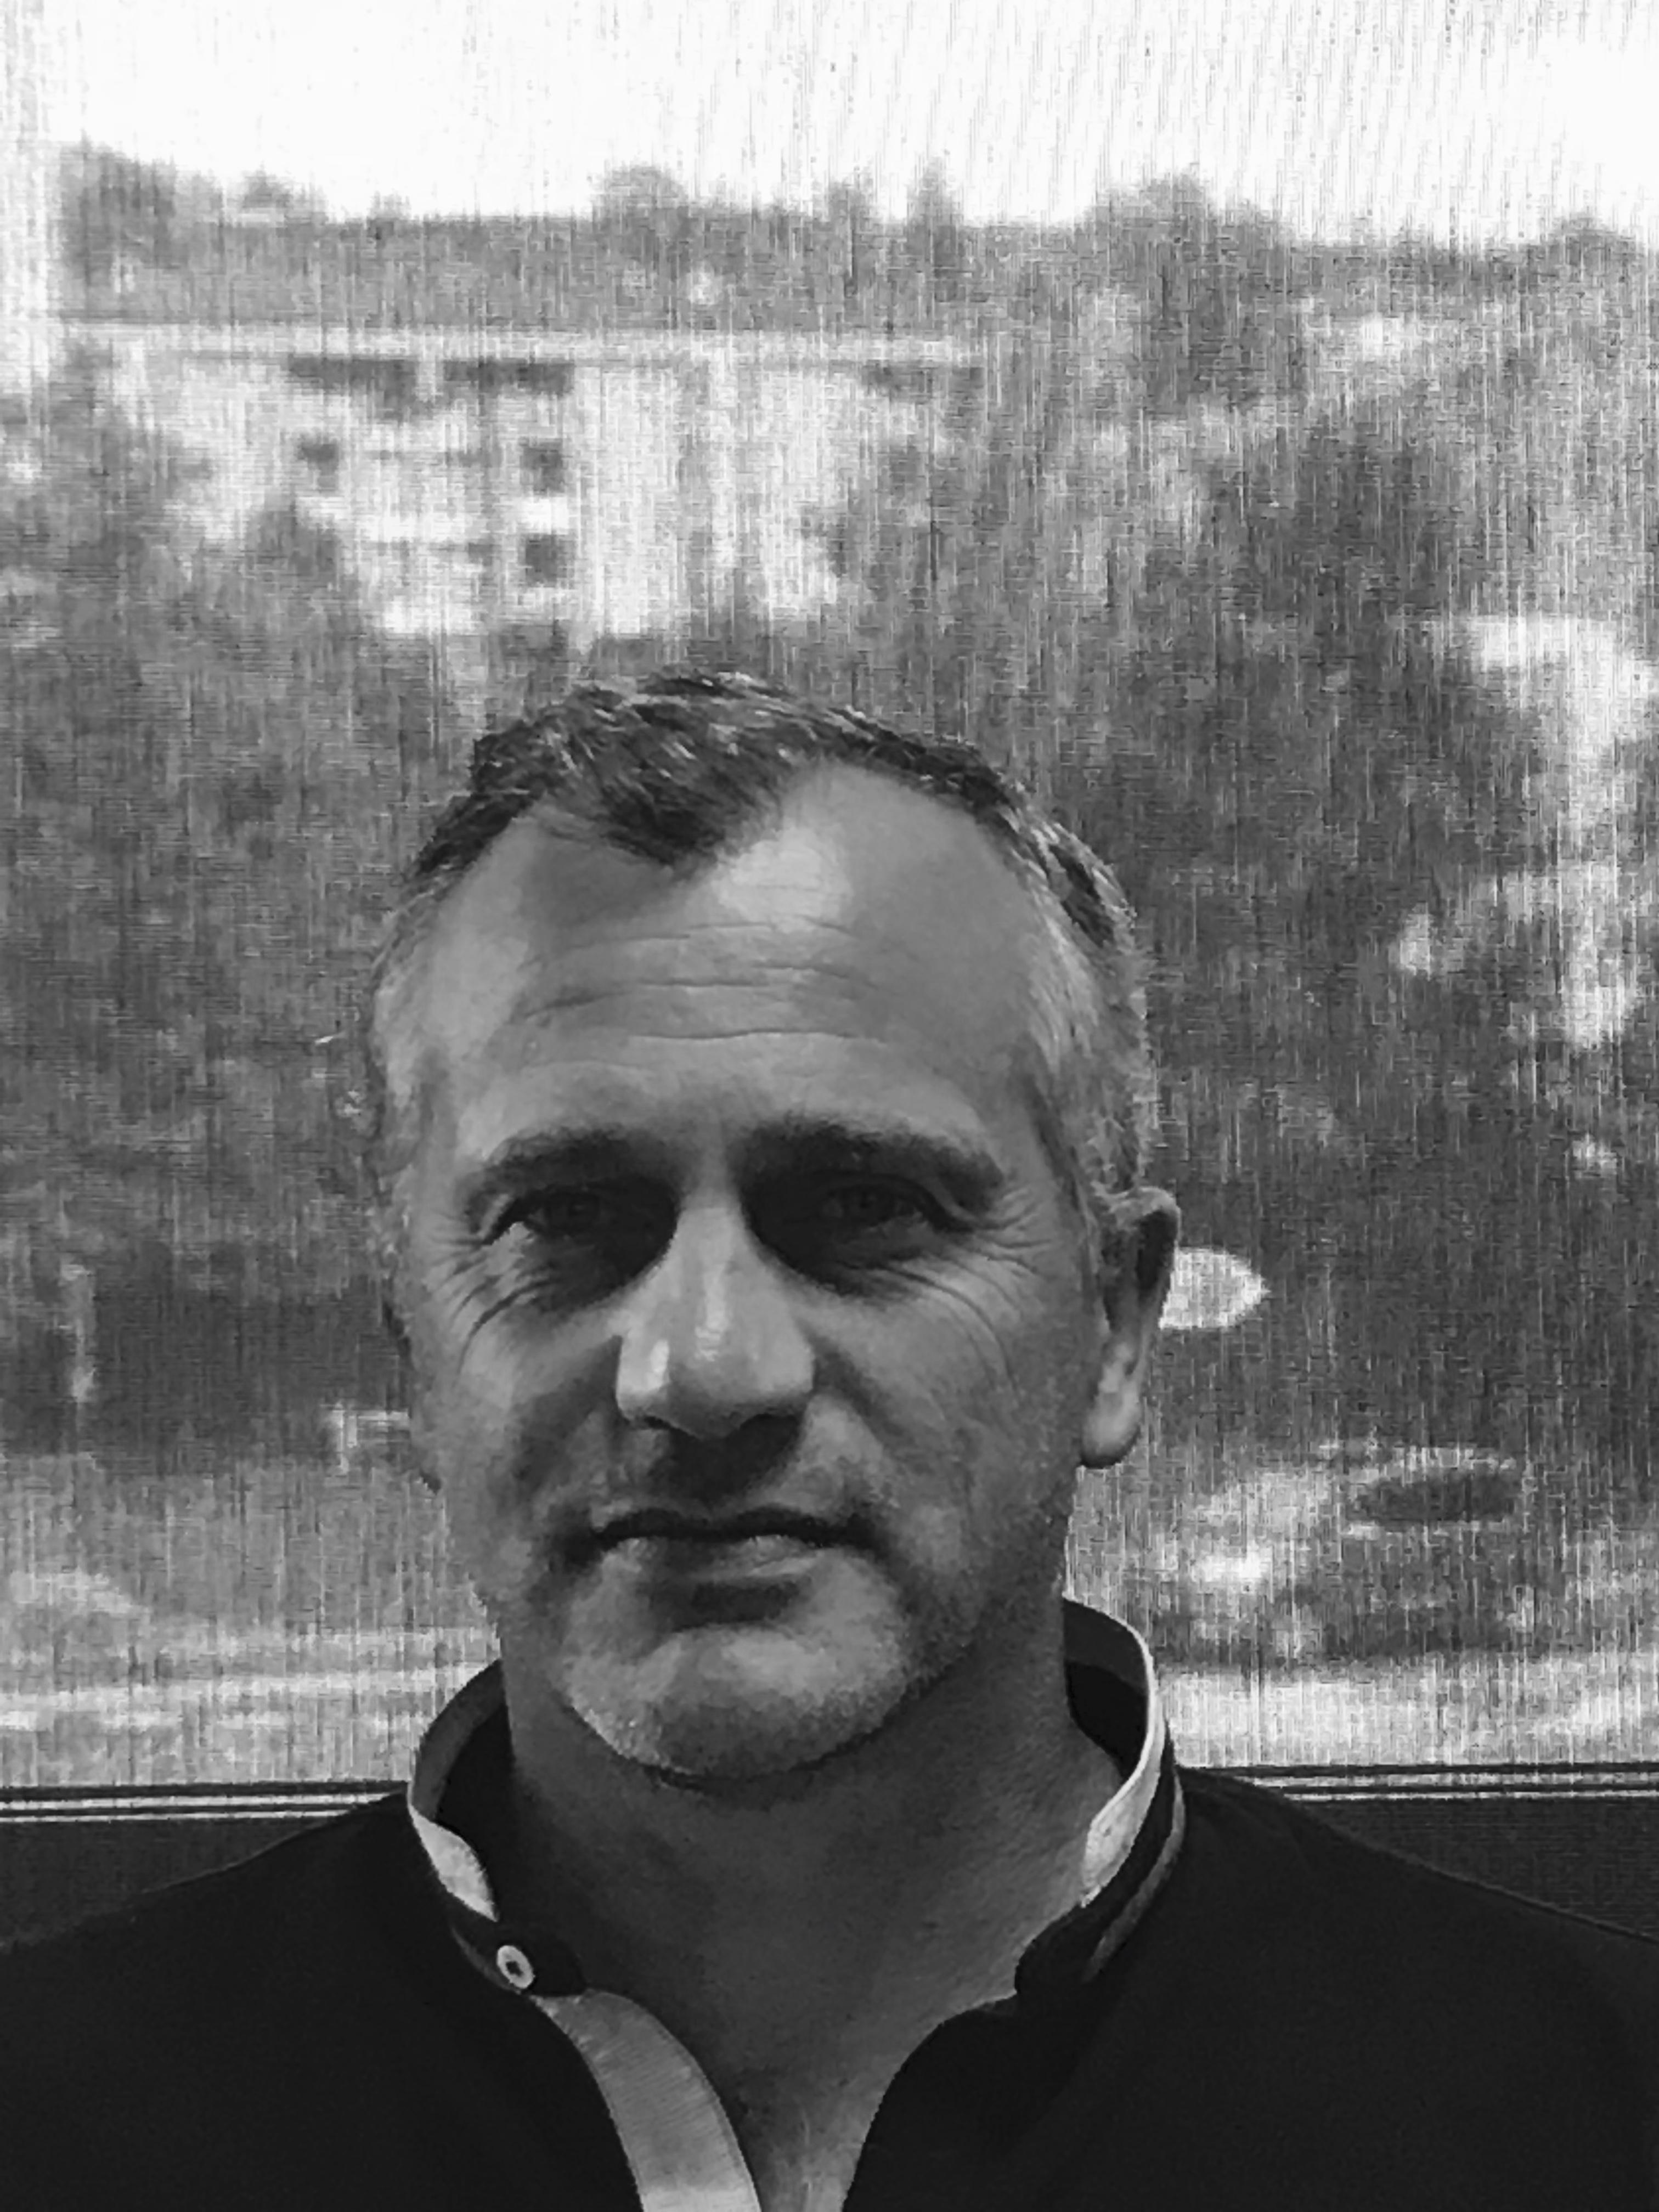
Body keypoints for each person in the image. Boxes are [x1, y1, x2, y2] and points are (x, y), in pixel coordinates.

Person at [1, 668, 1655, 2211]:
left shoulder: (1594, 2116)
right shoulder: (52, 2119)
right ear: (416, 1356)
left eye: (862, 1206)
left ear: (1116, 1323)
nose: (704, 1372)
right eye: (565, 1216)